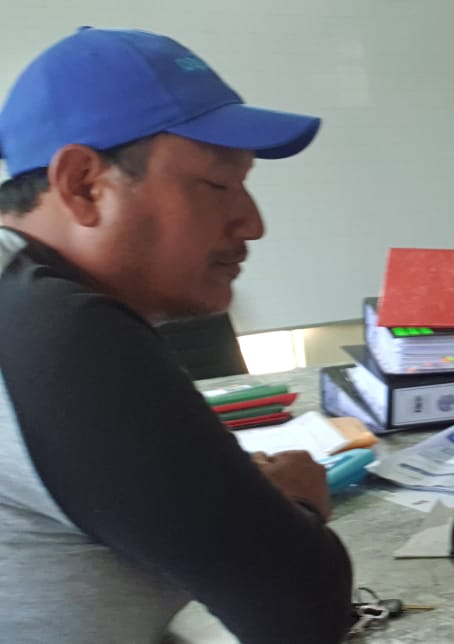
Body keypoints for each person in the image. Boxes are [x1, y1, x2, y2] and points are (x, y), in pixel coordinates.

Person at [0, 28, 353, 642]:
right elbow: (300, 608)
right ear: (83, 184)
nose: (252, 222)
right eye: (217, 184)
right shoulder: (61, 331)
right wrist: (292, 507)